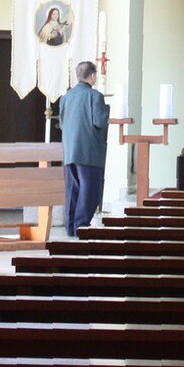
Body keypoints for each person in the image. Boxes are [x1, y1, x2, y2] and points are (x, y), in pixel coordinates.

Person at [59, 60, 110, 237]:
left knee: (72, 188)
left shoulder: (66, 97)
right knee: (89, 189)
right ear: (93, 76)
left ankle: (70, 226)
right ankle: (81, 226)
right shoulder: (95, 96)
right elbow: (100, 121)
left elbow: (62, 123)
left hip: (70, 150)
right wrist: (107, 110)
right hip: (89, 151)